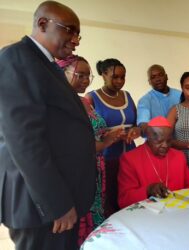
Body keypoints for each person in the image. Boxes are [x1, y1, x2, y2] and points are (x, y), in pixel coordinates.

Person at [0, 1, 96, 249]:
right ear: (43, 24)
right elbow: (24, 141)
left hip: (56, 200)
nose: (76, 40)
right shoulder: (16, 58)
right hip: (41, 205)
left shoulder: (46, 64)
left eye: (78, 34)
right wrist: (57, 204)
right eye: (69, 30)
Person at [57, 55, 125, 246]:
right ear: (63, 73)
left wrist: (109, 135)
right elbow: (75, 143)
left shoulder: (84, 102)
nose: (86, 80)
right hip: (77, 171)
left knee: (95, 215)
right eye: (80, 75)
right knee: (77, 221)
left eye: (88, 76)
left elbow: (94, 131)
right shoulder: (59, 104)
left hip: (96, 168)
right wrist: (106, 143)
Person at [86, 58, 140, 217]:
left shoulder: (127, 96)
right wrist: (111, 136)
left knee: (130, 198)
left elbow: (136, 123)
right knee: (110, 200)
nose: (120, 81)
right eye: (115, 77)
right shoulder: (92, 98)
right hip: (107, 158)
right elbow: (87, 132)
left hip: (130, 157)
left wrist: (135, 130)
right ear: (103, 75)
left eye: (123, 77)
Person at [118, 116, 189, 209]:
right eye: (160, 141)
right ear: (149, 138)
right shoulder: (130, 159)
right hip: (146, 216)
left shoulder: (178, 156)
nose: (165, 145)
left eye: (169, 141)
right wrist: (148, 190)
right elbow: (124, 200)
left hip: (178, 211)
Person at [137, 64, 181, 133]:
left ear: (166, 77)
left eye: (160, 75)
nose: (158, 79)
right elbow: (143, 124)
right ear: (149, 82)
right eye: (153, 77)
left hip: (180, 141)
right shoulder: (144, 101)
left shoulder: (180, 95)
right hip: (157, 142)